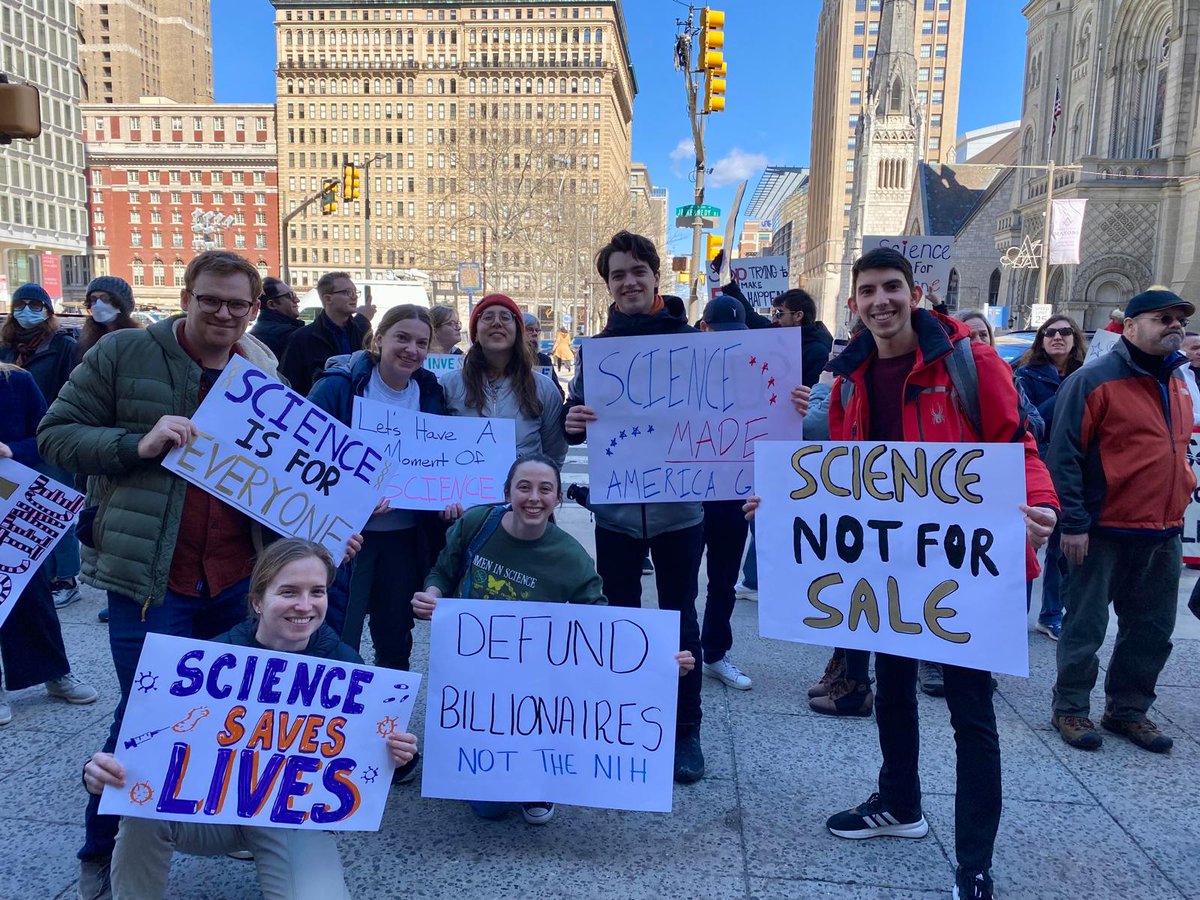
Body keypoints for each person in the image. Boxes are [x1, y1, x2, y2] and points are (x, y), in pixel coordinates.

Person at [37, 250, 363, 898]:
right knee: (146, 714)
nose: (223, 313)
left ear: (252, 310)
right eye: (211, 299)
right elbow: (56, 436)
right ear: (187, 295)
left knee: (241, 711)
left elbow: (286, 482)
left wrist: (330, 529)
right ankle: (104, 850)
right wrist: (138, 442)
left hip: (238, 582)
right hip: (152, 582)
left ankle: (238, 820)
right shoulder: (123, 355)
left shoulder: (261, 373)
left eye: (237, 304)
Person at [748, 246, 1058, 900]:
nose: (881, 301)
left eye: (892, 288)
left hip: (960, 570)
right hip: (889, 570)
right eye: (868, 291)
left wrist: (1042, 504)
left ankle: (974, 861)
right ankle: (900, 803)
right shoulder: (851, 376)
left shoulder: (970, 363)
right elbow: (840, 469)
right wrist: (783, 500)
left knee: (971, 713)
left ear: (915, 292)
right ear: (855, 303)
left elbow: (1016, 445)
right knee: (890, 689)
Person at [82, 538, 417, 900]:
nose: (305, 605)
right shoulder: (206, 660)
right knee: (139, 811)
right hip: (209, 815)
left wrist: (399, 756)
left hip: (292, 820)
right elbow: (133, 744)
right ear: (257, 600)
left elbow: (372, 763)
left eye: (317, 591)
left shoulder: (345, 665)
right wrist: (97, 771)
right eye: (289, 591)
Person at [412, 454, 694, 824]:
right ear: (506, 493)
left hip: (534, 684)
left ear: (557, 498)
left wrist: (659, 661)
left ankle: (541, 777)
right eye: (524, 487)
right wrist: (432, 595)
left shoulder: (570, 559)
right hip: (475, 678)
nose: (534, 497)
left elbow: (602, 631)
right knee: (489, 809)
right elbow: (442, 571)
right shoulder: (476, 523)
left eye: (545, 489)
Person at [563, 232, 710, 784]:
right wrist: (571, 420)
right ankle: (623, 720)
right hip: (617, 516)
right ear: (608, 285)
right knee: (620, 620)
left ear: (655, 277)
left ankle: (685, 729)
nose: (628, 281)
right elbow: (576, 422)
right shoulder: (596, 351)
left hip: (680, 513)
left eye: (637, 271)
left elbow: (736, 412)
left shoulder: (696, 343)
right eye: (617, 274)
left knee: (679, 622)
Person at [1048, 288, 1195, 755]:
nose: (1173, 324)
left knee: (1151, 631)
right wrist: (1073, 523)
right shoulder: (1093, 380)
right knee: (1085, 628)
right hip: (1103, 530)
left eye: (1178, 318)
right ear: (1130, 327)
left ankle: (1128, 711)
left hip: (1163, 529)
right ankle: (1070, 708)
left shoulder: (1178, 382)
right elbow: (1064, 456)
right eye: (1161, 318)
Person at [307, 306, 448, 678]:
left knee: (395, 638)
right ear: (379, 338)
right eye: (402, 338)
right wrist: (353, 502)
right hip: (347, 537)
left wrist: (449, 494)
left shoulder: (431, 393)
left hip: (405, 538)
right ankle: (337, 725)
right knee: (339, 635)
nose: (411, 350)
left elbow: (444, 459)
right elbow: (304, 458)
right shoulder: (339, 387)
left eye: (421, 343)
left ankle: (386, 720)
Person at [0, 362, 98, 726]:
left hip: (15, 507)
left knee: (31, 591)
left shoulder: (16, 381)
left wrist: (10, 450)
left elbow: (45, 438)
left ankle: (54, 672)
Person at [2, 282, 83, 609]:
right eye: (21, 304)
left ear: (48, 311)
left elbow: (73, 387)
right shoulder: (7, 347)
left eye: (35, 305)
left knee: (52, 512)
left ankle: (65, 577)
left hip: (51, 434)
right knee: (22, 518)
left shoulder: (63, 346)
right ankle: (34, 576)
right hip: (14, 441)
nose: (27, 311)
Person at [1015, 315, 1088, 643]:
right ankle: (1031, 612)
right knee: (1038, 544)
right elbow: (1033, 421)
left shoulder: (1087, 375)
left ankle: (1056, 611)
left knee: (1067, 547)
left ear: (1075, 338)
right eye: (1049, 332)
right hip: (1040, 463)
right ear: (1041, 340)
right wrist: (1070, 392)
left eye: (1064, 332)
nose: (1057, 337)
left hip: (1076, 466)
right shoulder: (1025, 375)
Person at [697, 295, 754, 691]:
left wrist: (797, 405)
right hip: (686, 496)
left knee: (723, 581)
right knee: (679, 583)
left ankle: (715, 652)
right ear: (704, 330)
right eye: (721, 332)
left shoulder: (757, 373)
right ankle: (682, 651)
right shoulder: (682, 371)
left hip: (734, 497)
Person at [441, 294, 567, 464]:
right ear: (475, 333)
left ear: (517, 331)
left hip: (522, 490)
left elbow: (554, 453)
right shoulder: (448, 385)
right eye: (488, 317)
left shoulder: (544, 388)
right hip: (464, 488)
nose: (497, 322)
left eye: (505, 317)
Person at [279, 271, 370, 396]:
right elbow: (289, 385)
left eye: (355, 292)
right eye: (347, 292)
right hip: (318, 410)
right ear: (328, 298)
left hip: (355, 410)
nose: (354, 297)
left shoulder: (363, 334)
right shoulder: (301, 338)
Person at [74, 276, 142, 367]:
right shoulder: (83, 342)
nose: (98, 304)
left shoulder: (138, 342)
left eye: (105, 299)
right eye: (94, 299)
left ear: (121, 304)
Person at [250, 276, 304, 360]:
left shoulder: (258, 330)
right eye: (290, 296)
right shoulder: (288, 335)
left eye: (294, 294)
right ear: (272, 304)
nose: (297, 300)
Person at [522, 311, 563, 395]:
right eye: (530, 329)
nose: (535, 334)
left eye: (537, 330)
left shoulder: (544, 360)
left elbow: (558, 392)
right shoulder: (507, 359)